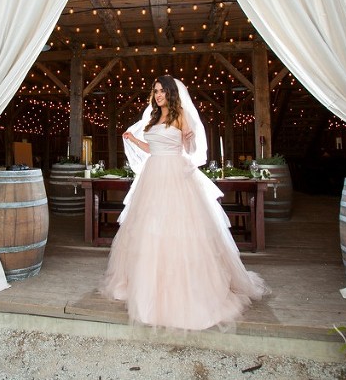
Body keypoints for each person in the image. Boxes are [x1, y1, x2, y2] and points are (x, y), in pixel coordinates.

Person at [100, 75, 268, 330]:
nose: (158, 95)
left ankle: (185, 290)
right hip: (153, 174)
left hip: (176, 174)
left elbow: (190, 150)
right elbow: (152, 147)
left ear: (171, 93)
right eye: (155, 91)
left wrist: (189, 138)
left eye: (162, 91)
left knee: (180, 227)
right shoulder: (154, 118)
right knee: (149, 228)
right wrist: (134, 140)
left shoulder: (180, 115)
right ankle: (147, 288)